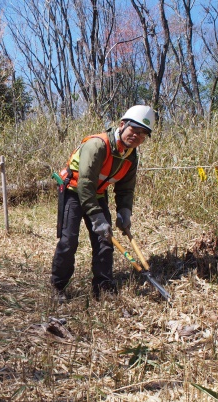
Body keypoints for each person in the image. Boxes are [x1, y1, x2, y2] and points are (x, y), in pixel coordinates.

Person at [51, 105, 156, 301]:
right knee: (68, 242)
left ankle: (103, 287)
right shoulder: (98, 145)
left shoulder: (131, 156)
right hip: (73, 192)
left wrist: (124, 212)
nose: (137, 136)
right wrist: (97, 217)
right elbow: (85, 183)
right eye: (134, 130)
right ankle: (58, 287)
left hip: (97, 195)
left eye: (143, 134)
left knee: (105, 241)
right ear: (122, 125)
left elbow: (125, 188)